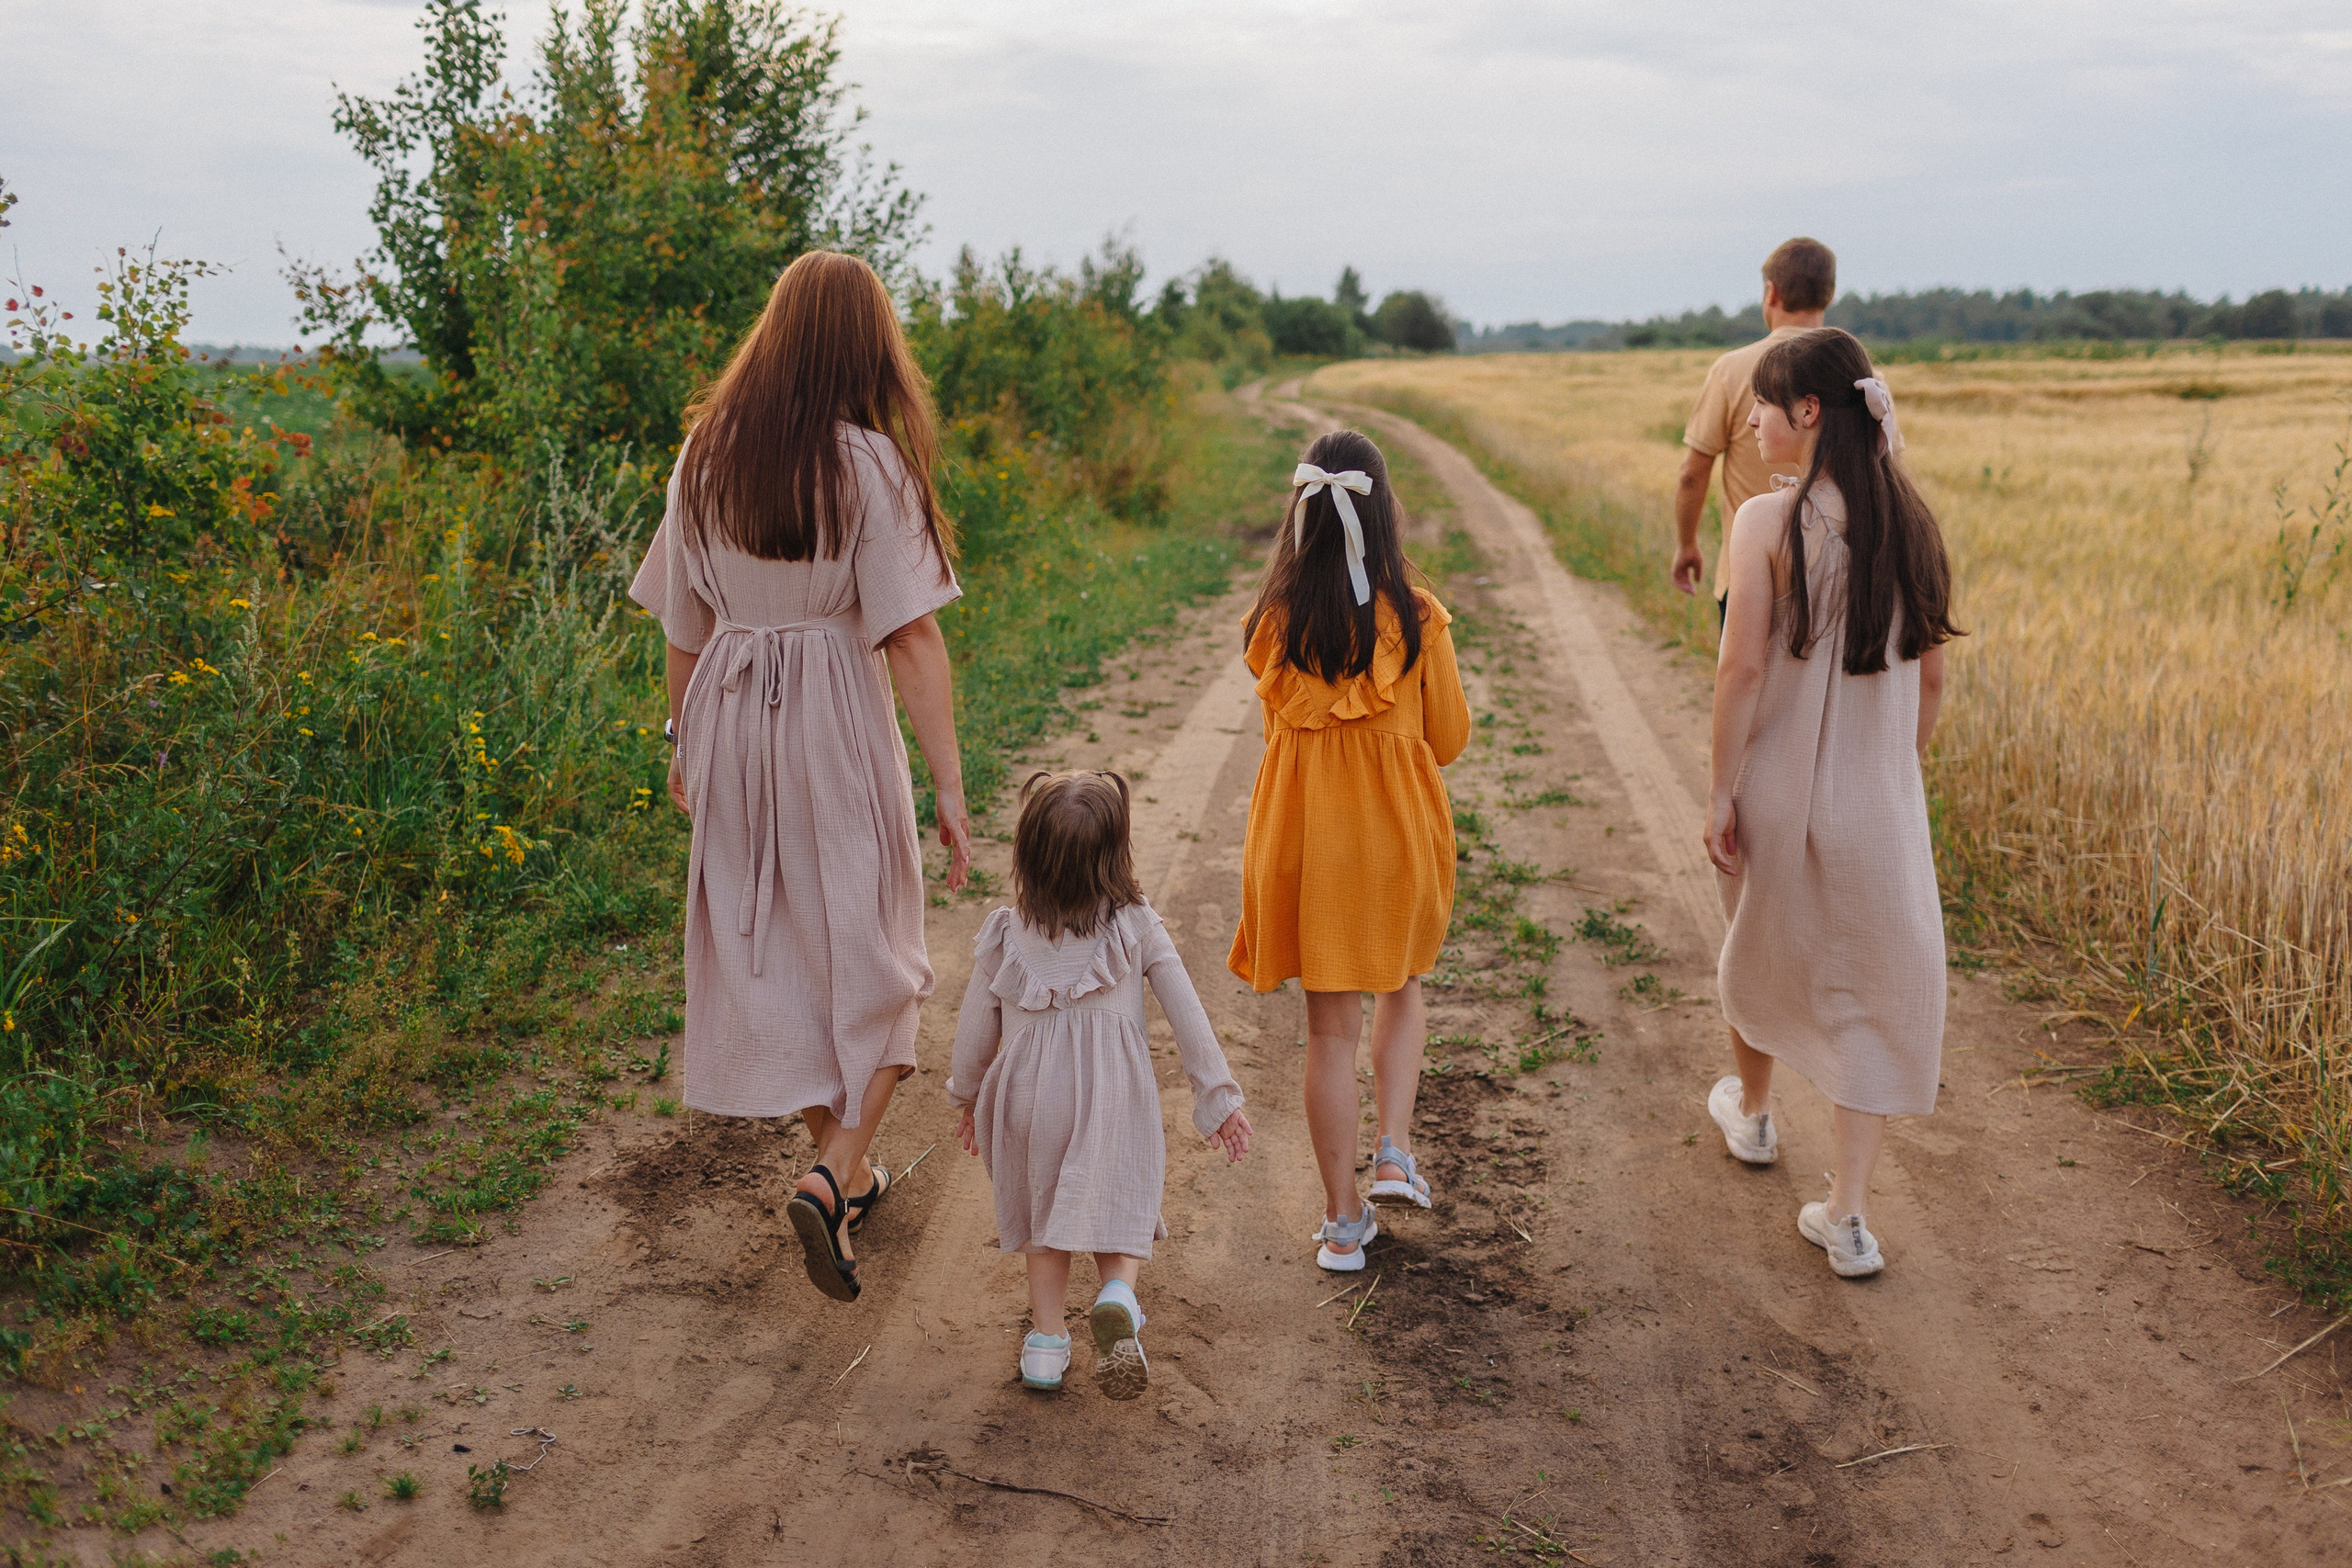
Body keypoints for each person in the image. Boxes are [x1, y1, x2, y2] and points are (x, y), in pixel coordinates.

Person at [629, 250, 974, 1305]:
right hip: (828, 705)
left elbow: (683, 628)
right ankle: (832, 1173)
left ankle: (847, 1171)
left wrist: (686, 739)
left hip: (730, 704)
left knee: (766, 947)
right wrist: (950, 791)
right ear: (864, 346)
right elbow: (909, 637)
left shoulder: (706, 453)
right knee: (879, 943)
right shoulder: (866, 462)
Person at [1702, 326, 1960, 1280]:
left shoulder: (1764, 524)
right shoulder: (1911, 523)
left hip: (1775, 787)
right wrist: (1895, 770)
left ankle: (1758, 1116)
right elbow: (1929, 684)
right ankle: (1847, 1218)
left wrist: (1719, 791)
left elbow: (1738, 670)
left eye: (1765, 405)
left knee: (1758, 946)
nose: (1755, 419)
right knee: (1867, 988)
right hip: (1876, 800)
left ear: (1809, 412)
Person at [1227, 431, 1472, 1273]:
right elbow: (1449, 739)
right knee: (1402, 986)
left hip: (1304, 847)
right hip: (1394, 840)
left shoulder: (1273, 626)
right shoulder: (1418, 617)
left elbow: (1275, 733)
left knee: (1327, 1032)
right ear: (1383, 513)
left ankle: (1341, 1222)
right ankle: (1395, 1148)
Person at [948, 772, 1252, 1398]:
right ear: (1116, 857)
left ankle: (1046, 1345)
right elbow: (1187, 1013)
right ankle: (1117, 1294)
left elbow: (976, 1024)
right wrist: (1217, 1098)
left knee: (1044, 1219)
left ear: (1028, 855)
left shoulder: (1006, 929)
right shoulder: (1136, 924)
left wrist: (966, 1093)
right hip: (1112, 1093)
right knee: (1117, 1198)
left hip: (1028, 1100)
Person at [1673, 238, 1838, 623]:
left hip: (1750, 575)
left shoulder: (1732, 369)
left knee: (1746, 679)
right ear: (1828, 296)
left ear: (1771, 292)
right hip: (1838, 577)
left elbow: (1691, 474)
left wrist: (1686, 544)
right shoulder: (1863, 374)